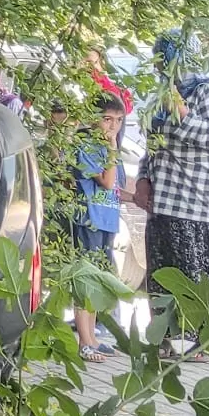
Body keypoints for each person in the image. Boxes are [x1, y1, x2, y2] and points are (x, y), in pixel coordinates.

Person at [136, 30, 209, 361]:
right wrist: (143, 178)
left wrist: (182, 113)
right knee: (163, 272)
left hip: (199, 202)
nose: (163, 66)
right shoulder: (160, 93)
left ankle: (208, 340)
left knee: (198, 274)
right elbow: (151, 144)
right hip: (163, 201)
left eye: (168, 58)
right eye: (159, 59)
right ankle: (162, 337)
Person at [71, 95, 126, 362]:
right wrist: (113, 149)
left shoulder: (110, 149)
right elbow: (105, 181)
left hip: (108, 221)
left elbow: (116, 187)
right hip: (90, 220)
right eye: (107, 119)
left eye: (118, 120)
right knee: (86, 279)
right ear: (94, 120)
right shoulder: (88, 146)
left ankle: (92, 335)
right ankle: (84, 340)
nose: (113, 126)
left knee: (98, 280)